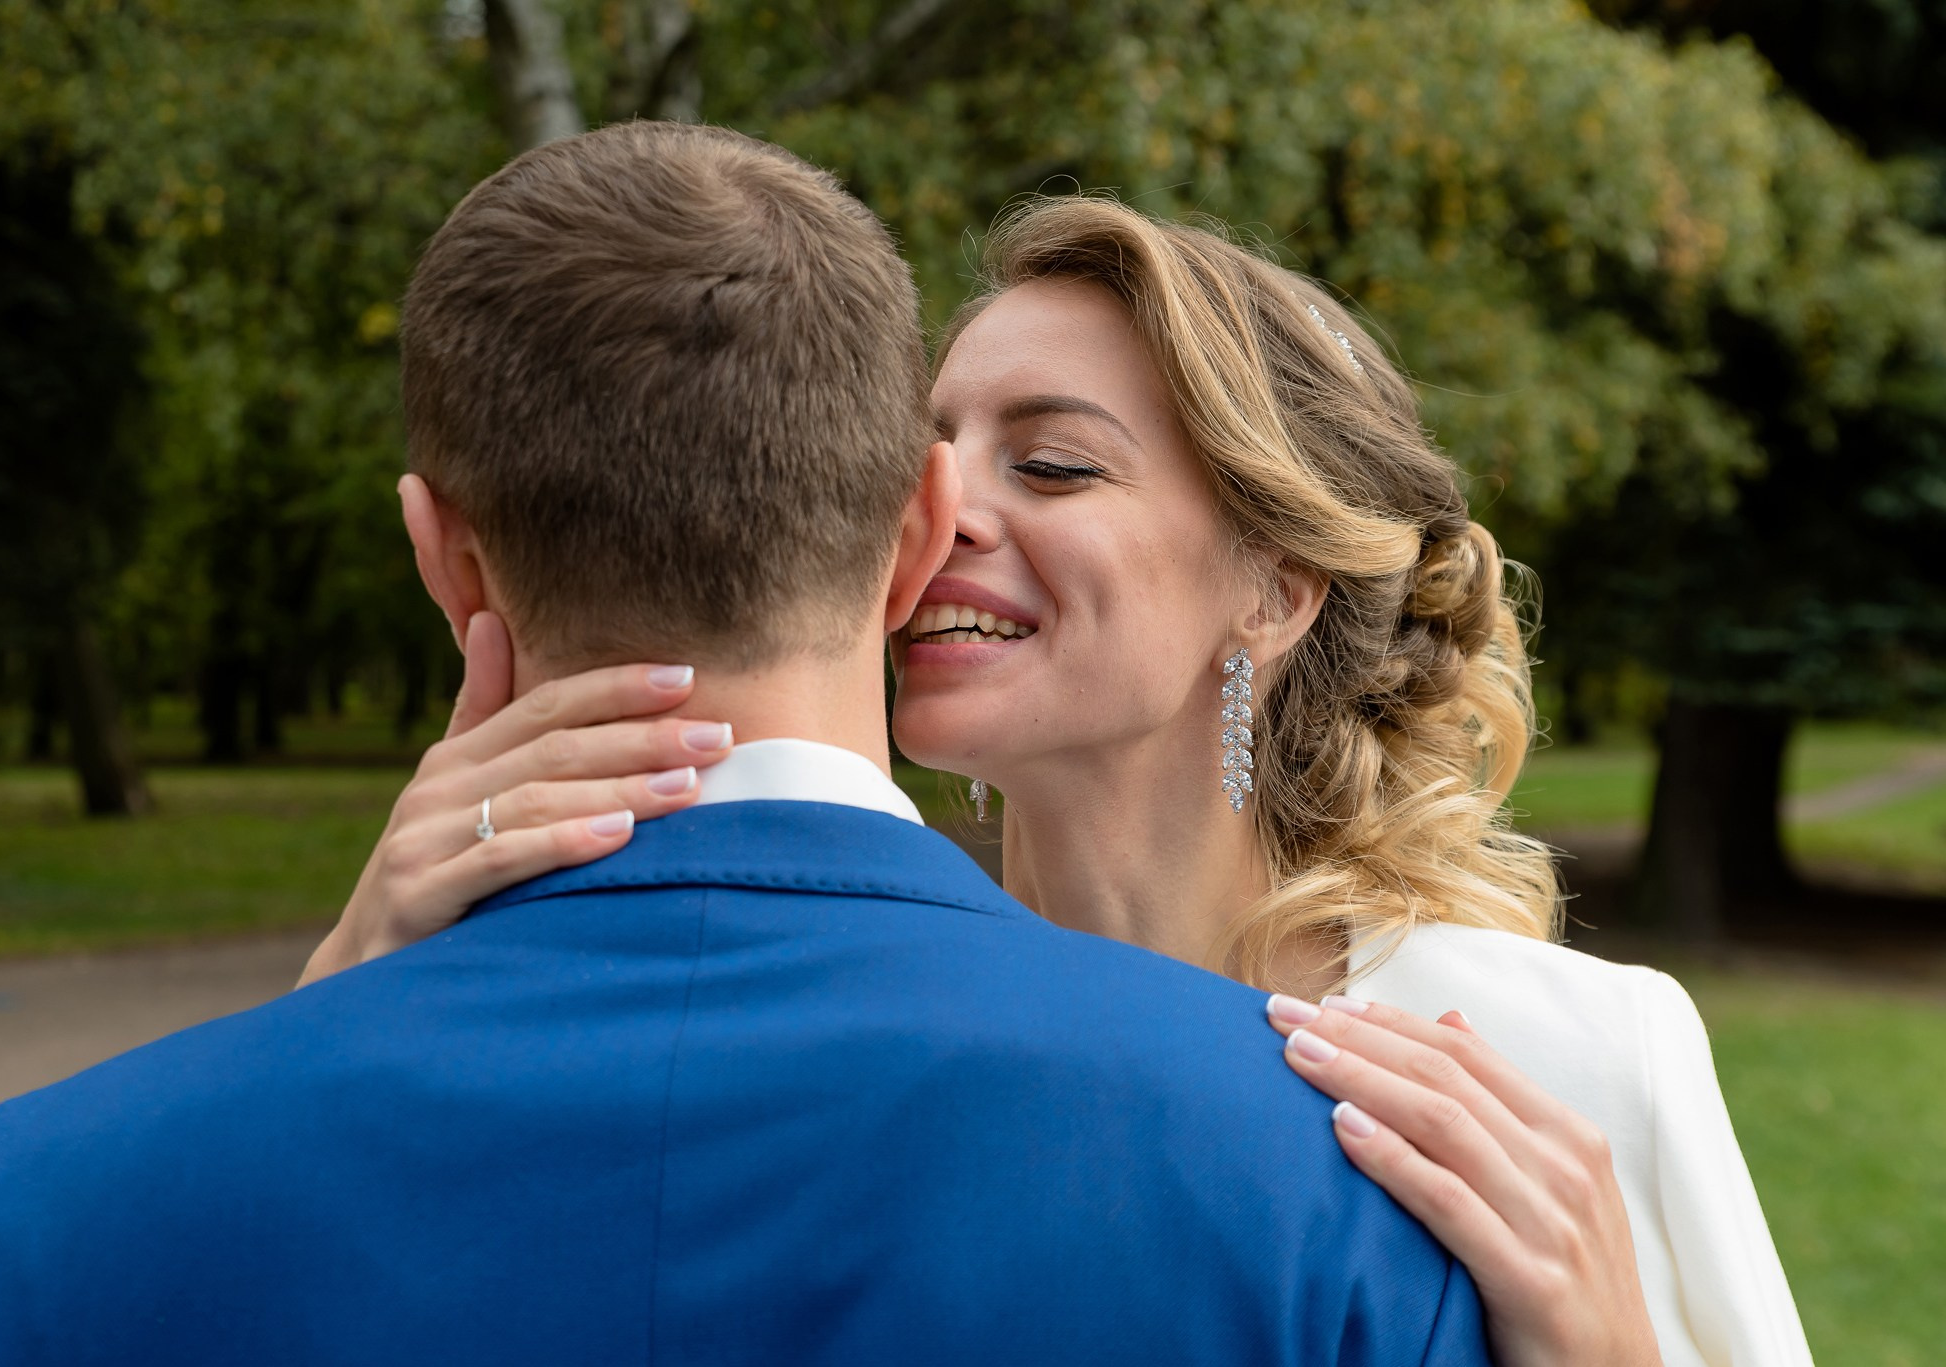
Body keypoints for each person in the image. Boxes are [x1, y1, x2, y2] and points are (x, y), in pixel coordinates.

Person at [0, 125, 1492, 1366]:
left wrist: (300, 1051)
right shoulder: (1329, 1179)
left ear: (443, 558)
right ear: (918, 528)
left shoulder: (57, 1200)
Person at [310, 197, 1815, 1366]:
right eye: (933, 459)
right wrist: (350, 1006)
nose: (946, 511)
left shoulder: (1569, 1055)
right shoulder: (844, 1021)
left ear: (1274, 587)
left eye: (1054, 466)